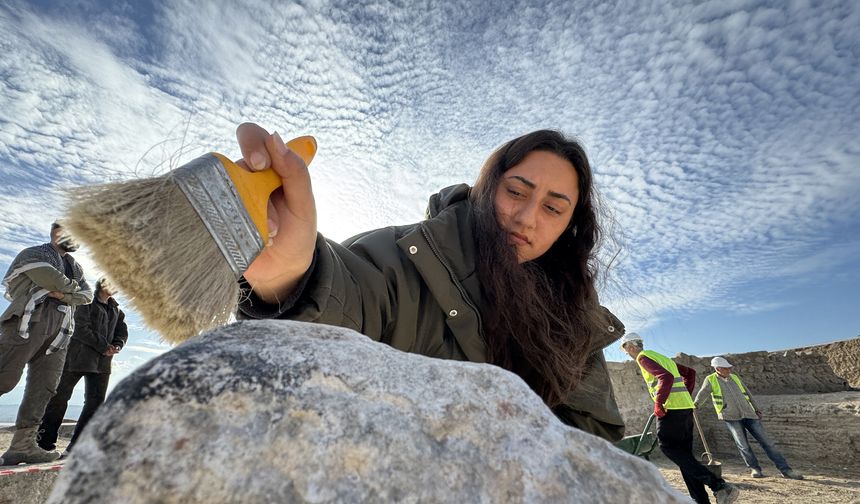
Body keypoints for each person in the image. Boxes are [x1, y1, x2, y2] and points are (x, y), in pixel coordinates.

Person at [233, 125, 627, 441]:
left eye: (553, 208)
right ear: (487, 187)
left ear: (570, 227)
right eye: (515, 192)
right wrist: (289, 275)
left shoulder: (575, 317)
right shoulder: (402, 256)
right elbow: (349, 300)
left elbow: (594, 433)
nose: (527, 218)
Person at [0, 222, 92, 465]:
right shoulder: (34, 254)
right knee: (4, 376)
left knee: (45, 386)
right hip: (28, 319)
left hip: (61, 331)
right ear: (56, 233)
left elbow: (88, 295)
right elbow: (52, 279)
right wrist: (70, 292)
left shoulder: (76, 267)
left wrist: (64, 294)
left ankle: (22, 446)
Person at [620, 333, 739, 504]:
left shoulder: (643, 357)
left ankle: (719, 486)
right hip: (685, 408)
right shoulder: (661, 357)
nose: (627, 354)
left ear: (631, 347)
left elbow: (665, 377)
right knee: (685, 458)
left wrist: (659, 404)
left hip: (672, 410)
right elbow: (690, 373)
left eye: (626, 351)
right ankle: (701, 500)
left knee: (668, 447)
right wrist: (685, 396)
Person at [38, 277, 128, 456]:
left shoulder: (117, 310)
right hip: (77, 359)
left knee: (95, 404)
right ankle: (44, 444)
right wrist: (104, 346)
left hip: (102, 364)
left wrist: (117, 345)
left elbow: (122, 332)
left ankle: (77, 447)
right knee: (59, 399)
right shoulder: (86, 301)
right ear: (102, 285)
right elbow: (80, 328)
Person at [694, 356, 804, 480]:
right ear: (718, 369)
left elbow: (747, 393)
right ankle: (754, 468)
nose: (729, 370)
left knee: (768, 443)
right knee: (743, 445)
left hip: (749, 414)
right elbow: (702, 393)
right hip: (731, 417)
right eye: (726, 368)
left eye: (729, 367)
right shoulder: (710, 379)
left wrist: (756, 409)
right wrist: (695, 405)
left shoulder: (734, 377)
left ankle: (786, 470)